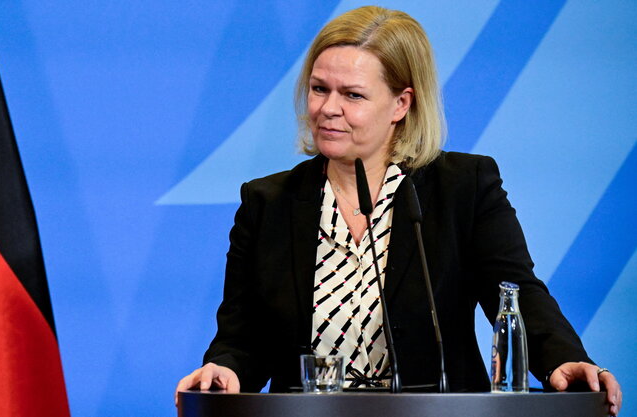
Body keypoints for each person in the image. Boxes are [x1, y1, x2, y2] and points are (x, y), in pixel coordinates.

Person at [175, 6, 622, 415]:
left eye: (352, 95)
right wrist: (224, 369)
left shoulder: (461, 188)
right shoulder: (267, 202)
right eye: (318, 89)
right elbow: (242, 335)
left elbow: (517, 292)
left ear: (401, 104)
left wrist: (566, 358)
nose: (328, 109)